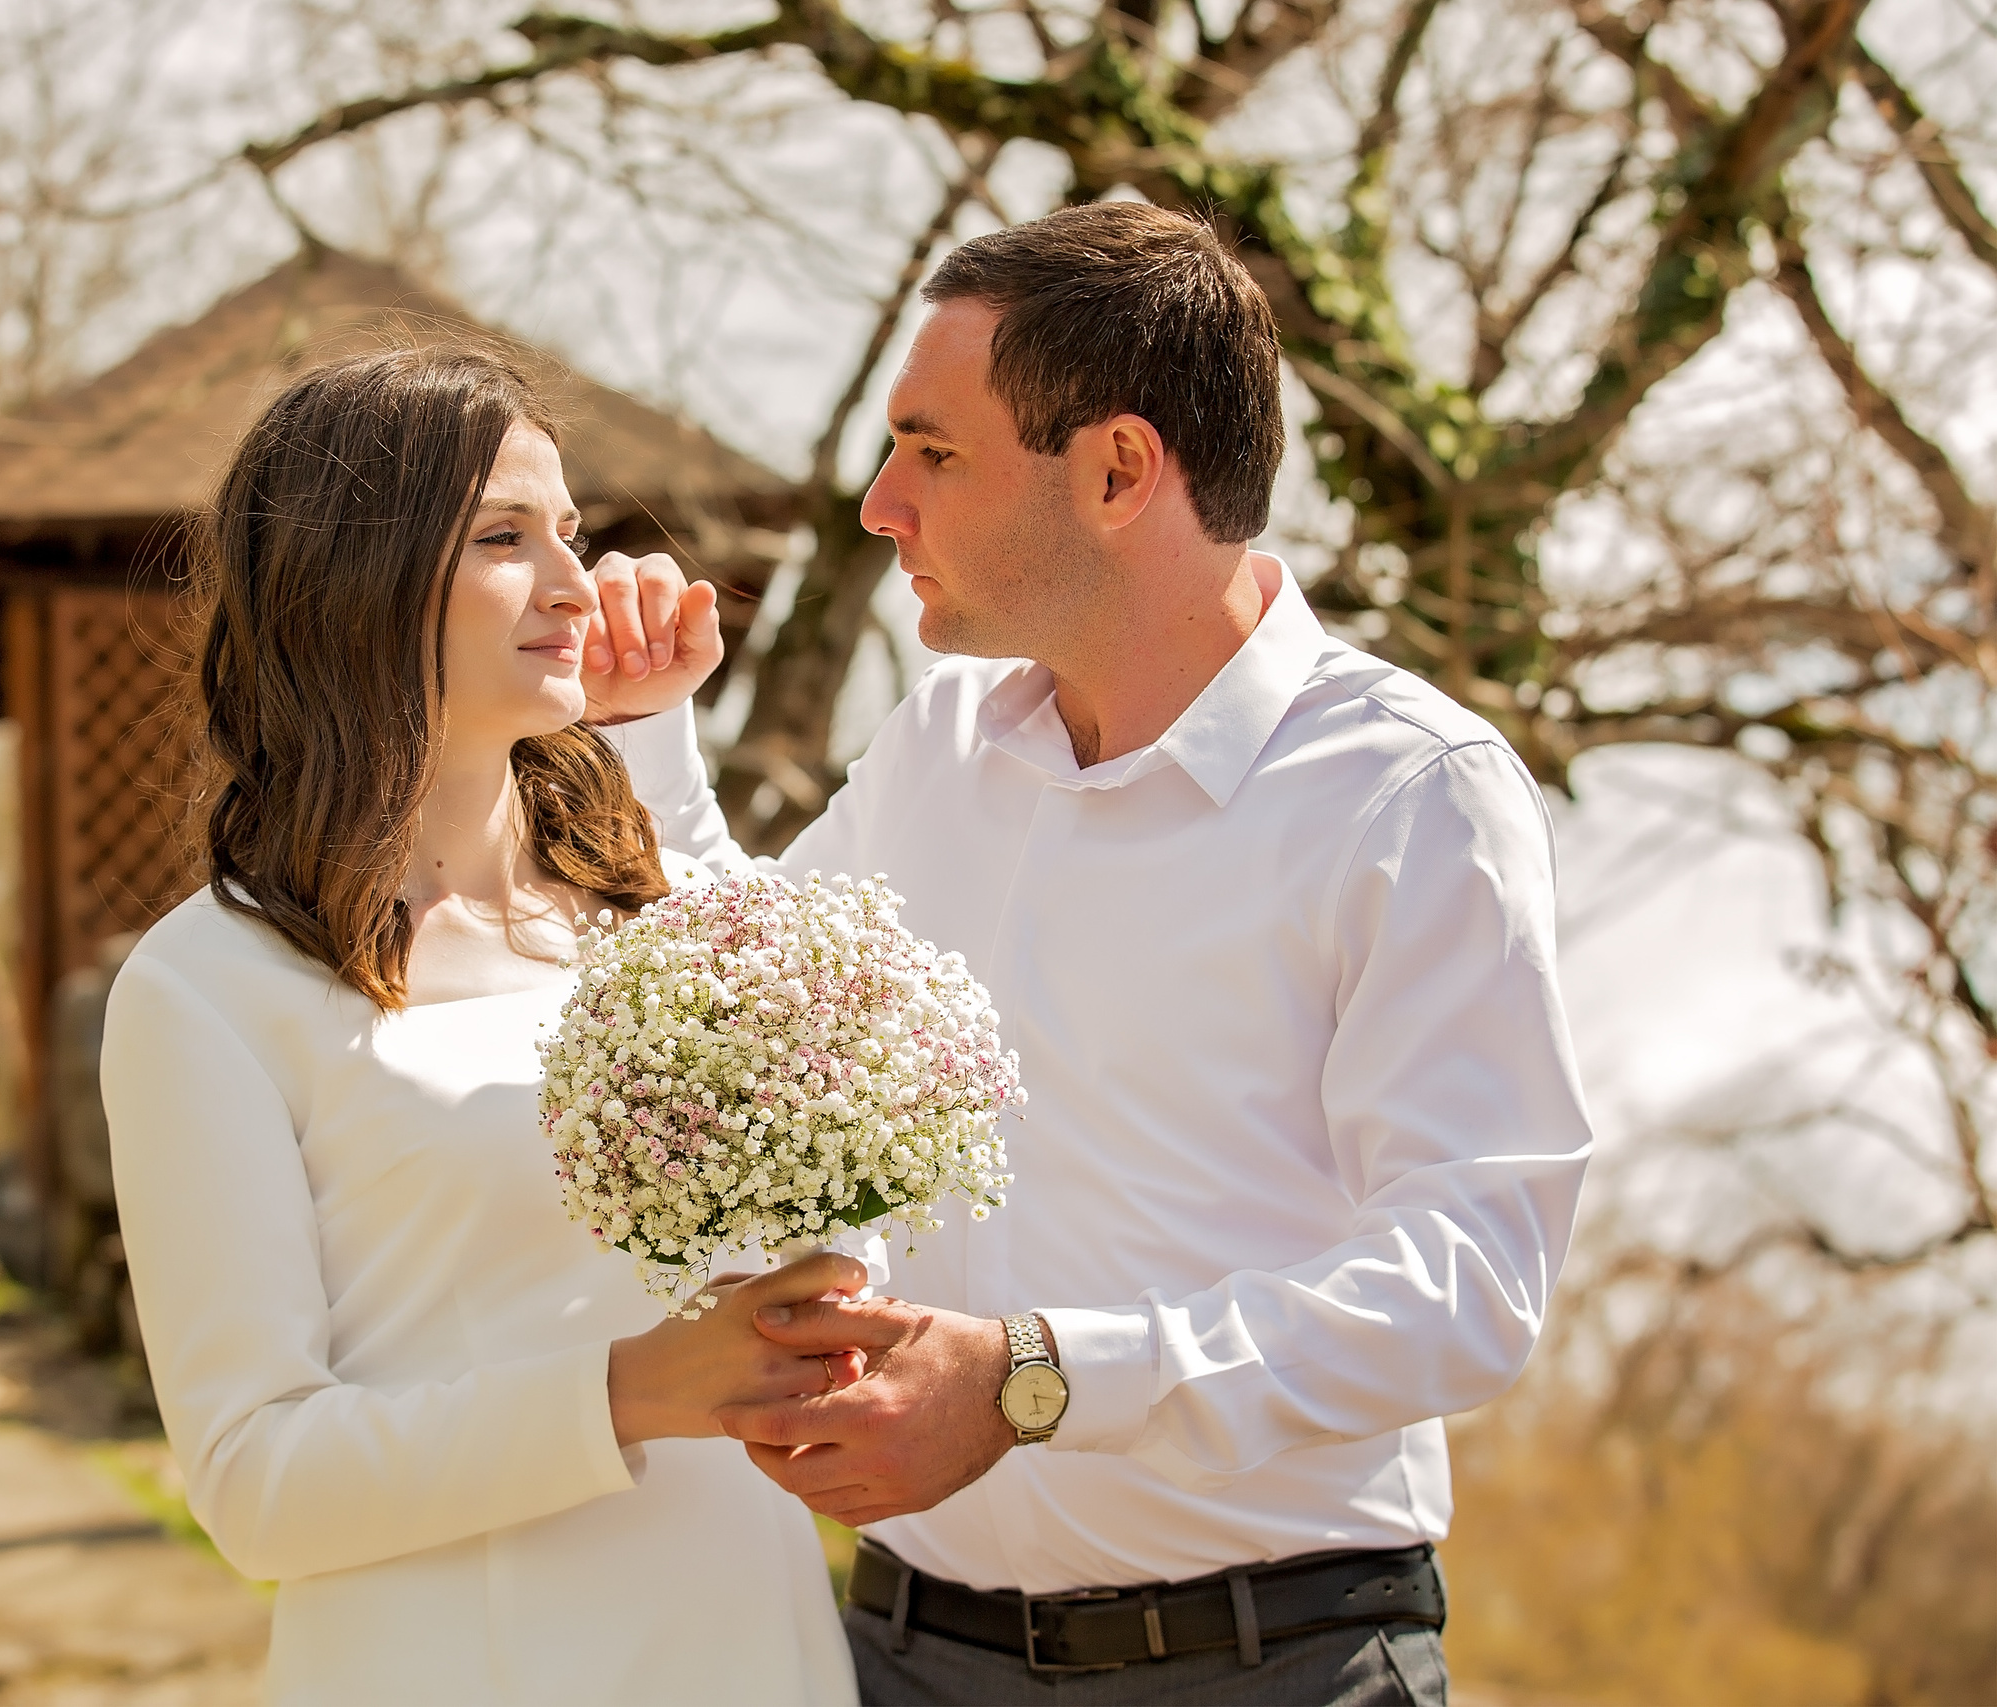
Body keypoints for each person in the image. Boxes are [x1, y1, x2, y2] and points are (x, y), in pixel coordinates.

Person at [590, 201, 1592, 1704]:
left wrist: (1030, 1378)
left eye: (933, 453)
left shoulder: (1410, 795)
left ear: (1119, 470)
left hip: (1275, 1667)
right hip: (904, 1653)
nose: (879, 506)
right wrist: (650, 730)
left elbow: (1466, 1286)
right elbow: (740, 1009)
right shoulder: (940, 748)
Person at [98, 348, 864, 1707]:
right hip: (459, 1661)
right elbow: (256, 1483)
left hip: (752, 1641)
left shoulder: (663, 912)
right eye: (505, 540)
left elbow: (830, 1211)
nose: (577, 584)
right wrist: (630, 1389)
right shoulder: (207, 987)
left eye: (572, 534)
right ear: (355, 579)